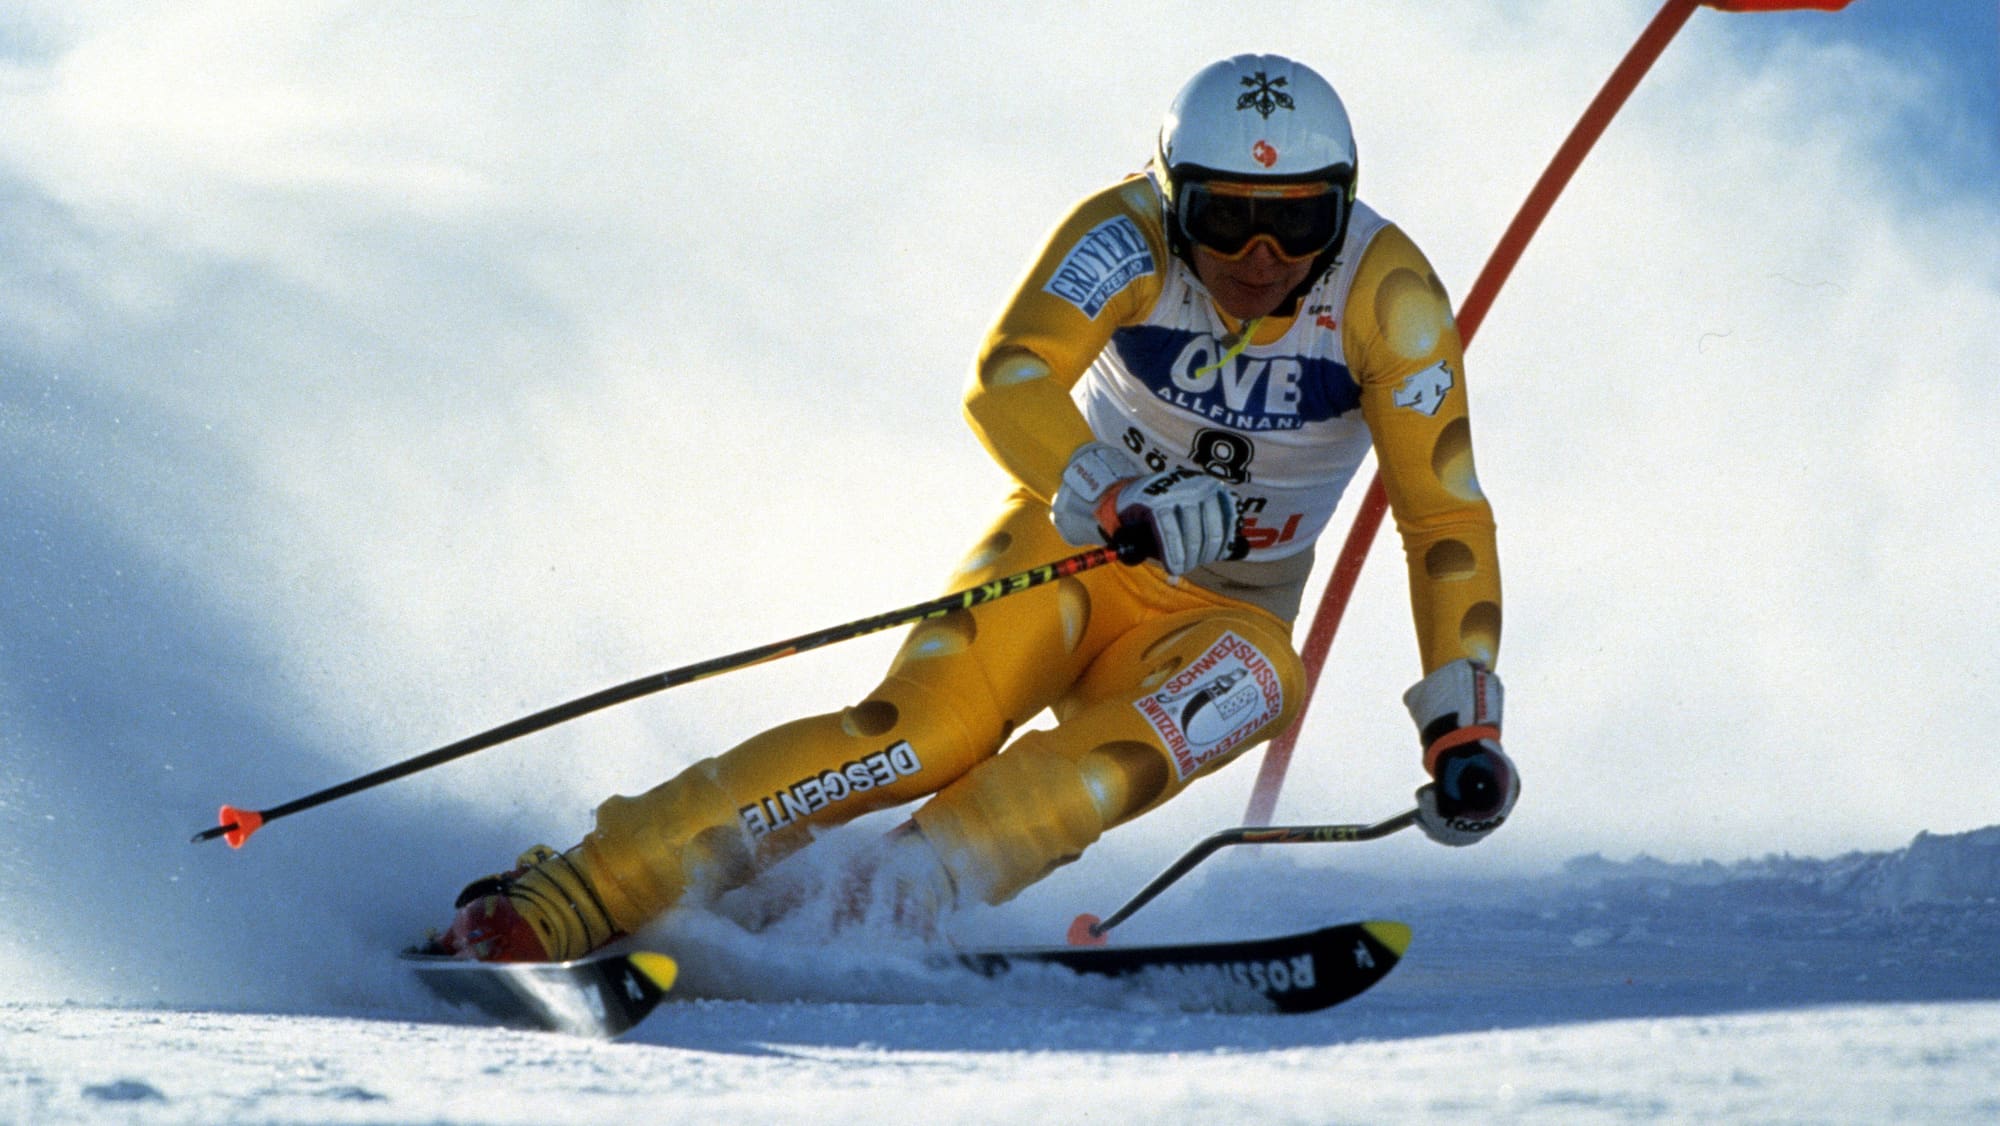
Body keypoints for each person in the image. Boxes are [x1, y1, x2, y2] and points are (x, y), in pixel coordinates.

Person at [436, 53, 1518, 962]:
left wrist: (1463, 720)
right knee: (921, 734)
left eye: (1299, 222)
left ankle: (878, 906)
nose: (1259, 259)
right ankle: (577, 890)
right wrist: (1115, 488)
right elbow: (1008, 377)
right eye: (1223, 218)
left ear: (1343, 204)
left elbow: (1443, 521)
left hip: (1224, 613)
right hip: (1077, 554)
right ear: (1168, 195)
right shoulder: (1126, 235)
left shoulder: (1389, 300)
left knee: (1253, 687)